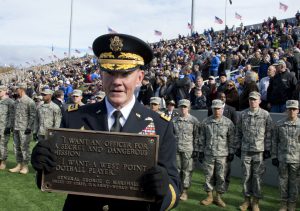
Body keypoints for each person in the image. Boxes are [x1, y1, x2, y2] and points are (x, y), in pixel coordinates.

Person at [31, 33, 180, 211]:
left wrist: (163, 191)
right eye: (110, 72)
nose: (117, 81)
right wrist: (42, 166)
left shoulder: (160, 124)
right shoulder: (75, 117)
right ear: (101, 75)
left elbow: (173, 188)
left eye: (125, 74)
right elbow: (56, 177)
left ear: (139, 78)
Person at [235, 91, 273, 211]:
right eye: (251, 99)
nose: (252, 101)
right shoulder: (242, 114)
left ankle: (255, 202)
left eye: (255, 99)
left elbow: (269, 133)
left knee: (257, 177)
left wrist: (267, 149)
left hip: (259, 151)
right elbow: (238, 132)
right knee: (246, 176)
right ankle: (246, 201)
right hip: (245, 150)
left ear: (259, 101)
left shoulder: (265, 114)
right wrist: (237, 147)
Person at [199, 99, 235, 208]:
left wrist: (231, 152)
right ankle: (209, 196)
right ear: (212, 109)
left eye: (219, 108)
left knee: (221, 176)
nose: (217, 111)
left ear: (222, 109)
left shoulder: (228, 123)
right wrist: (201, 151)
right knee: (208, 176)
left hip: (222, 155)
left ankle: (218, 196)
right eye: (215, 109)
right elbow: (202, 138)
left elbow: (231, 139)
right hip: (209, 154)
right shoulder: (205, 122)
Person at [272, 100, 300, 211]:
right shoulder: (280, 124)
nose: (292, 111)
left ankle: (292, 203)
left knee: (294, 183)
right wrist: (274, 156)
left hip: (297, 159)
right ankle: (283, 203)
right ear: (286, 110)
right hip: (283, 159)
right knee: (283, 182)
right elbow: (275, 141)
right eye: (289, 109)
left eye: (294, 109)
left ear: (298, 110)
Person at [172, 99, 199, 201]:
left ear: (189, 108)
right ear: (178, 108)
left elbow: (197, 136)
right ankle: (177, 189)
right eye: (181, 107)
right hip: (176, 149)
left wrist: (196, 150)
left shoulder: (194, 121)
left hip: (188, 150)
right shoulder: (174, 120)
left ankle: (184, 191)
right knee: (176, 170)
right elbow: (171, 135)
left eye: (185, 107)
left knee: (187, 171)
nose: (183, 109)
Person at [10, 83, 36, 174]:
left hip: (25, 128)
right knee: (16, 147)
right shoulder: (17, 101)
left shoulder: (29, 101)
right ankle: (19, 164)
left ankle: (25, 166)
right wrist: (12, 125)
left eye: (17, 89)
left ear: (21, 89)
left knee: (24, 147)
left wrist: (29, 127)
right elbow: (13, 115)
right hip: (16, 127)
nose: (15, 90)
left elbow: (32, 115)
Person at [0, 85, 14, 170]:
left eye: (0, 90)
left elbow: (11, 116)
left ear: (5, 91)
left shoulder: (10, 102)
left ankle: (3, 161)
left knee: (3, 145)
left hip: (4, 127)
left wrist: (8, 127)